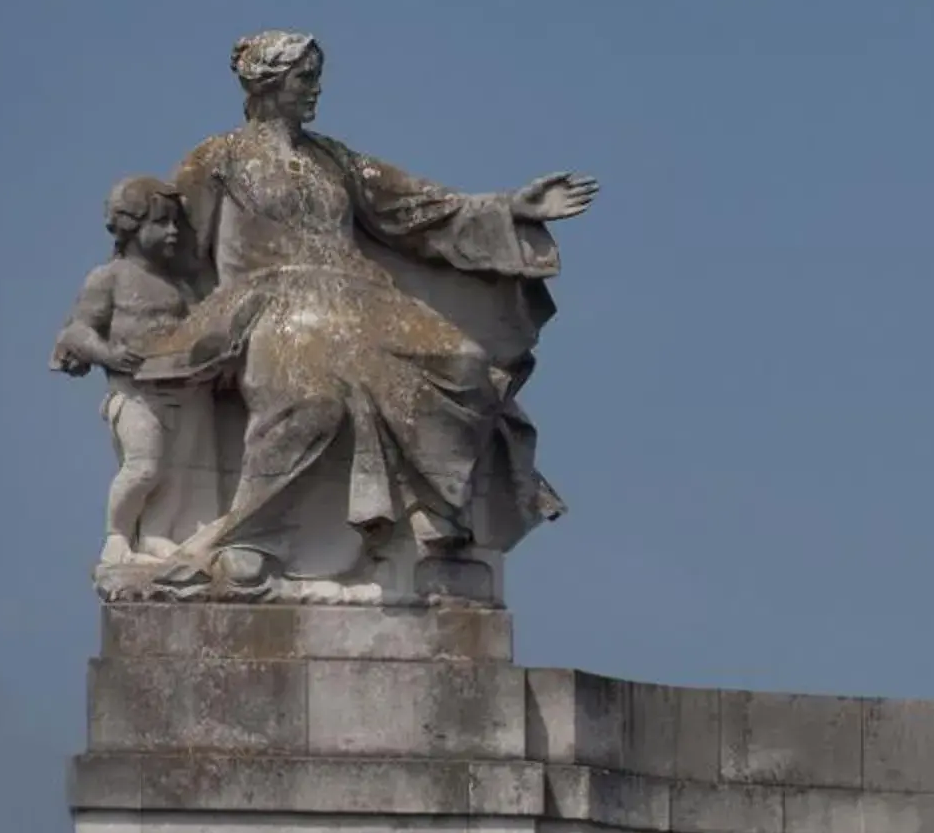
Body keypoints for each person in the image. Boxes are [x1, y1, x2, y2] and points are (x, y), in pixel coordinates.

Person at [124, 30, 597, 595]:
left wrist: (509, 208)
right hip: (269, 300)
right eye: (305, 78)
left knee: (464, 362)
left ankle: (436, 510)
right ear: (269, 84)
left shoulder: (334, 159)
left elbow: (417, 208)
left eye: (316, 77)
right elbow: (179, 251)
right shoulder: (217, 158)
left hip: (358, 297)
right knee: (311, 394)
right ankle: (252, 535)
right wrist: (152, 319)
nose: (316, 90)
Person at [50, 177, 215, 564]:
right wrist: (107, 354)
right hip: (134, 392)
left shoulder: (178, 285)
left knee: (176, 473)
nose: (172, 232)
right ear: (132, 227)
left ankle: (156, 534)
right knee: (144, 466)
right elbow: (76, 330)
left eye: (176, 223)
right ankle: (117, 536)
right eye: (161, 223)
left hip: (180, 391)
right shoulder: (110, 277)